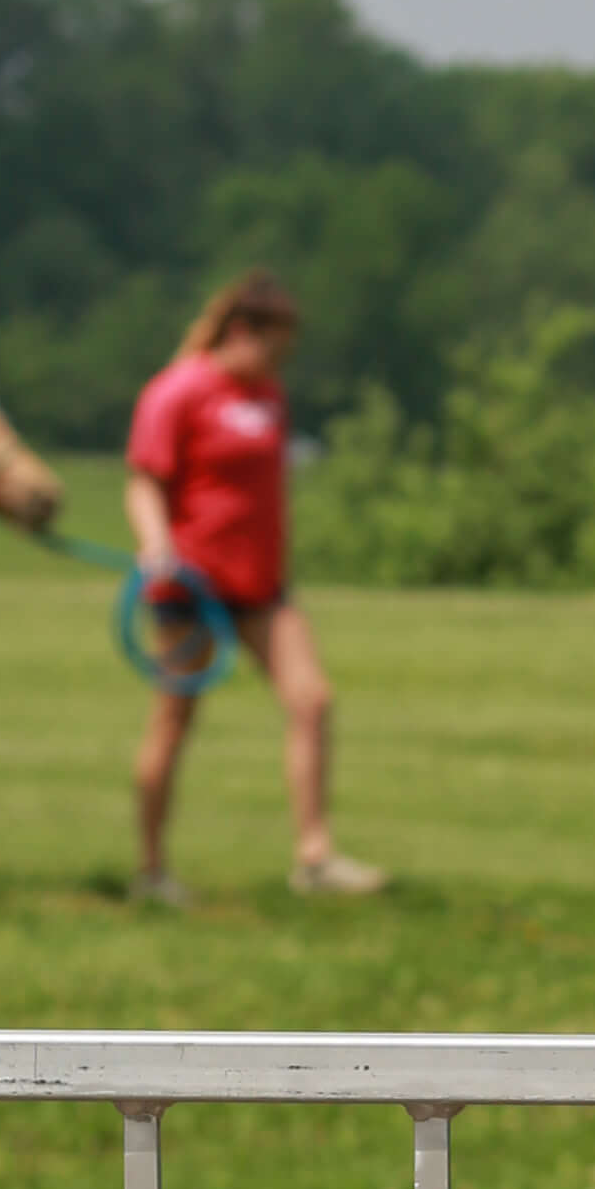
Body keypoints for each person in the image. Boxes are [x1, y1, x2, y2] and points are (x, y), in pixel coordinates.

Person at [122, 270, 377, 906]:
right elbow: (144, 479)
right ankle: (152, 871)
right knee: (173, 721)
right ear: (241, 332)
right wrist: (156, 545)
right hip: (190, 589)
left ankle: (314, 857)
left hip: (262, 587)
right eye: (274, 345)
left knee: (311, 700)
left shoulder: (270, 396)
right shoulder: (177, 391)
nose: (280, 360)